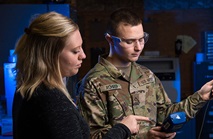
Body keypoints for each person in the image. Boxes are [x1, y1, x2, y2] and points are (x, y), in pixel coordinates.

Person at [77, 8, 213, 139]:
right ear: (110, 40)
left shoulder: (146, 75)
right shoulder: (93, 83)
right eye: (130, 42)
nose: (138, 47)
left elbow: (165, 114)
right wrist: (145, 136)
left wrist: (200, 96)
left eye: (142, 39)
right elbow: (93, 136)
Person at [12, 11, 151, 139]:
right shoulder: (51, 100)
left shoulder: (27, 90)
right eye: (75, 51)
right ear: (50, 55)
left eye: (81, 48)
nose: (83, 56)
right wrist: (123, 129)